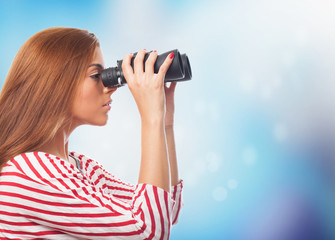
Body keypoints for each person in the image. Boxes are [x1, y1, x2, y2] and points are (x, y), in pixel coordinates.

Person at [0, 27, 183, 239]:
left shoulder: (80, 167)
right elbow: (148, 232)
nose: (110, 87)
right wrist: (151, 118)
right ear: (56, 84)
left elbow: (165, 212)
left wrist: (164, 123)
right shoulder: (27, 174)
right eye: (96, 75)